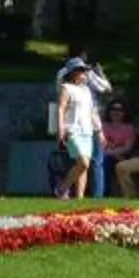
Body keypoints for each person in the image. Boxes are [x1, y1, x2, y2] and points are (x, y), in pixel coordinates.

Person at [53, 59, 100, 199]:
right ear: (73, 73)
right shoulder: (66, 88)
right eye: (81, 70)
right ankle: (62, 188)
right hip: (72, 130)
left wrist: (99, 130)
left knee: (84, 167)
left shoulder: (86, 90)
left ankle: (79, 198)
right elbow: (61, 109)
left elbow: (91, 110)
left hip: (87, 130)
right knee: (83, 163)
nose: (85, 73)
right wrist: (60, 128)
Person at [95, 98, 138, 198]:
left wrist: (113, 153)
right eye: (113, 109)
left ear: (124, 113)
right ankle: (102, 193)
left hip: (122, 156)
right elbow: (99, 144)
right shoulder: (103, 126)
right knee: (103, 162)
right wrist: (110, 153)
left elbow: (127, 147)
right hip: (105, 155)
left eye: (120, 110)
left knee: (108, 161)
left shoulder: (128, 128)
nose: (116, 112)